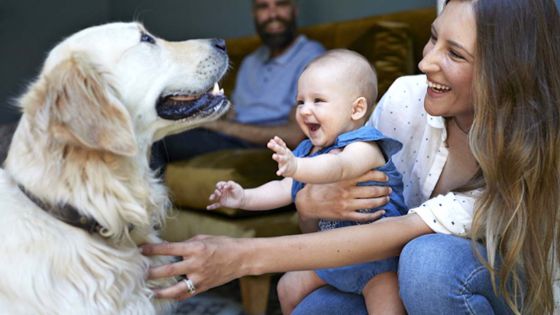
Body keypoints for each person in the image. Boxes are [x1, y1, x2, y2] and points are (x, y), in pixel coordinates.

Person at [142, 0, 560, 314]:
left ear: (505, 72)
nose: (425, 60)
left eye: (455, 54)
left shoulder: (530, 147)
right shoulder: (404, 99)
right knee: (314, 307)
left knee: (429, 262)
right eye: (434, 37)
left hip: (500, 287)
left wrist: (241, 257)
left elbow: (401, 233)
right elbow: (328, 217)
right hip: (392, 268)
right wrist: (307, 202)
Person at [207, 49, 407, 314]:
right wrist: (243, 197)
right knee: (287, 286)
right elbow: (282, 189)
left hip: (377, 261)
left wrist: (297, 166)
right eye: (300, 101)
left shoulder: (365, 145)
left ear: (356, 109)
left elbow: (339, 167)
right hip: (331, 256)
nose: (304, 110)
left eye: (318, 100)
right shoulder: (307, 151)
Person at [150, 0, 325, 171]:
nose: (272, 14)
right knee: (156, 130)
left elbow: (294, 134)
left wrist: (218, 126)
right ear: (254, 14)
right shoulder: (250, 61)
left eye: (281, 4)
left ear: (294, 9)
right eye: (263, 7)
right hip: (227, 136)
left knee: (160, 141)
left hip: (259, 145)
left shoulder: (312, 56)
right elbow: (233, 113)